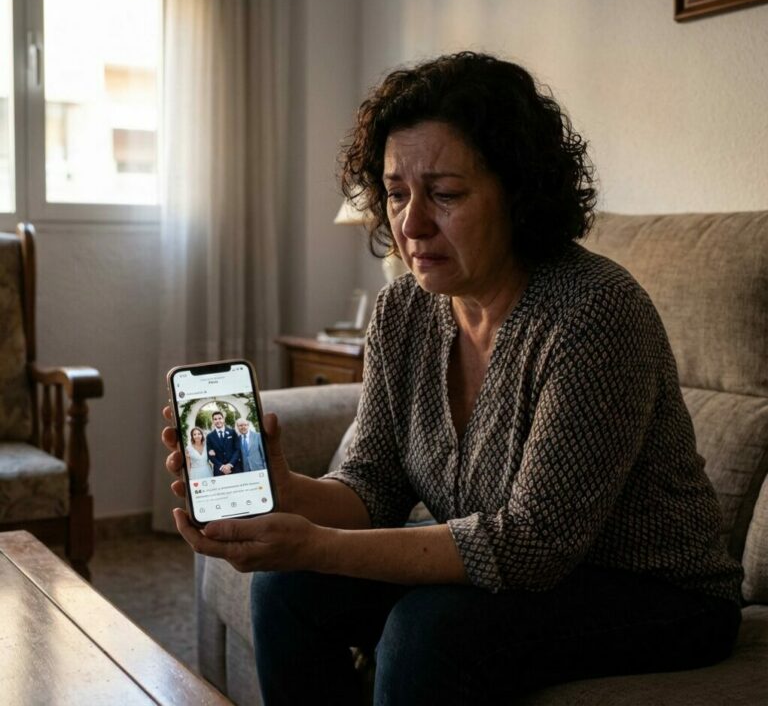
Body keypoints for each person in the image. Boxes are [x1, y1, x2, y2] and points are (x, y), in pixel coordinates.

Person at [164, 52, 743, 705]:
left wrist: (315, 544)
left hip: (658, 594)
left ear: (519, 193)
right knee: (287, 590)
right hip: (532, 576)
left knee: (428, 631)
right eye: (396, 192)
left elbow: (532, 545)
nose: (410, 225)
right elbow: (374, 483)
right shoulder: (403, 311)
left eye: (445, 194)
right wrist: (286, 490)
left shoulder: (593, 313)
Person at [205, 410, 241, 476]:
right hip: (219, 470)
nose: (218, 421)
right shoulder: (209, 436)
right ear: (213, 421)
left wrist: (230, 465)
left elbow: (237, 450)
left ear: (223, 419)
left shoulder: (232, 432)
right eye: (215, 419)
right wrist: (222, 467)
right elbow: (210, 454)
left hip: (234, 467)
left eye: (220, 418)